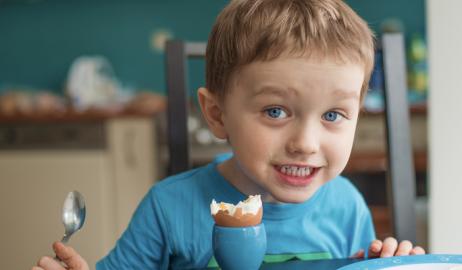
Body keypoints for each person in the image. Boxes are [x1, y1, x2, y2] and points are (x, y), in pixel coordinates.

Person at [33, 0, 425, 269]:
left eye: (334, 114)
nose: (306, 143)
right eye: (276, 111)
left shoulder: (347, 207)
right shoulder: (169, 207)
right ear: (216, 115)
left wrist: (392, 262)